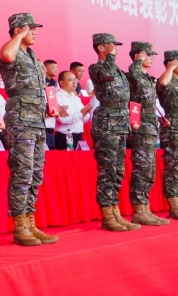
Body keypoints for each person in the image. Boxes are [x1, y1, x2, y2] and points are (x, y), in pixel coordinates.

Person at [0, 13, 58, 247]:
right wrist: (19, 34)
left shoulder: (31, 55)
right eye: (30, 28)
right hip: (20, 120)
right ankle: (20, 225)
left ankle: (30, 221)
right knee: (22, 172)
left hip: (37, 121)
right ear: (18, 29)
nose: (34, 32)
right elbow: (6, 55)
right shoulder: (10, 51)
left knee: (35, 173)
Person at [88, 33, 140, 232]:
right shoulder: (97, 68)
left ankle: (115, 211)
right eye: (111, 45)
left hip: (120, 121)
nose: (115, 49)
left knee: (118, 170)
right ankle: (107, 214)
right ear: (101, 47)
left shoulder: (117, 70)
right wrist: (109, 56)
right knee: (107, 170)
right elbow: (106, 74)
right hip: (106, 123)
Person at [127, 42, 169, 226]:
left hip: (150, 125)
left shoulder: (146, 78)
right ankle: (139, 210)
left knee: (149, 169)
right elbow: (133, 74)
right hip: (140, 127)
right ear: (139, 55)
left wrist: (159, 118)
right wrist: (137, 61)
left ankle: (145, 209)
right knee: (142, 168)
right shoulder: (133, 74)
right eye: (148, 55)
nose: (151, 58)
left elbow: (149, 105)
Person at [156, 51, 178, 220]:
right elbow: (163, 83)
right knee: (173, 167)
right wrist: (170, 68)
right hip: (172, 128)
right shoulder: (166, 79)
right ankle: (174, 205)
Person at [54, 71, 91, 149]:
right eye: (71, 80)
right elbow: (63, 119)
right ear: (62, 83)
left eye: (75, 80)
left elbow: (84, 120)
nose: (75, 82)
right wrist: (81, 114)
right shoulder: (57, 97)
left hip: (78, 136)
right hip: (65, 137)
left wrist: (85, 113)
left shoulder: (76, 98)